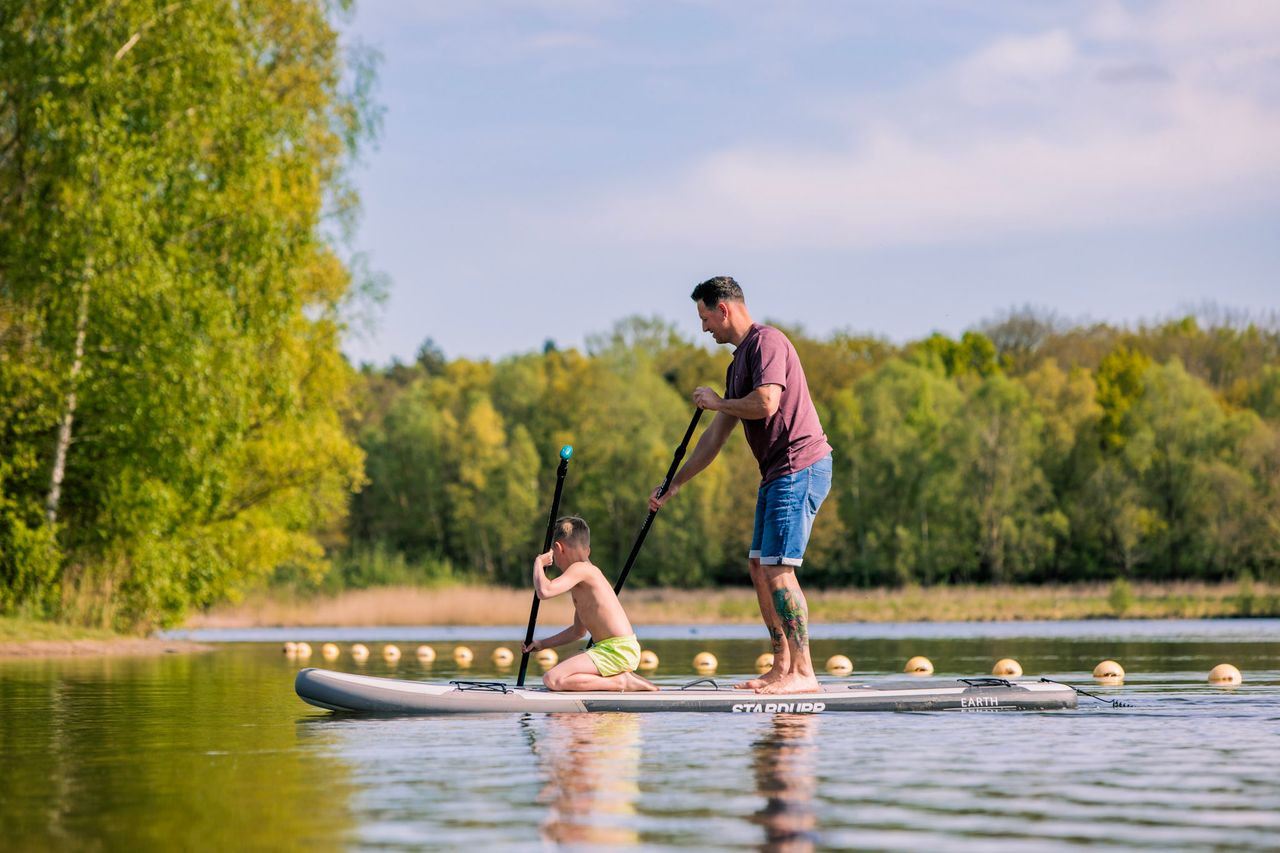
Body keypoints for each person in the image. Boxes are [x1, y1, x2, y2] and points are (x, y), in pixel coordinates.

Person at [650, 276, 833, 695]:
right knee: (757, 565)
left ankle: (804, 674)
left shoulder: (767, 343)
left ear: (724, 310)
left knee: (777, 569)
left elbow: (767, 401)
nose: (704, 328)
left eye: (705, 317)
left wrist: (717, 401)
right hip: (775, 473)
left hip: (800, 465)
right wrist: (674, 484)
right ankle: (782, 665)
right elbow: (714, 437)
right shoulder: (738, 365)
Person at [524, 516, 658, 692]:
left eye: (554, 557)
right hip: (613, 650)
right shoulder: (583, 578)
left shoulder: (581, 569)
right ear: (587, 550)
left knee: (553, 679)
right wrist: (542, 644)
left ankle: (621, 682)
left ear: (558, 548)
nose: (555, 563)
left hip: (616, 650)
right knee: (560, 677)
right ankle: (620, 680)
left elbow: (545, 591)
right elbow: (577, 632)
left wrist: (538, 563)